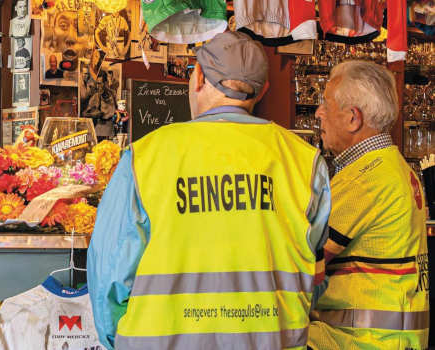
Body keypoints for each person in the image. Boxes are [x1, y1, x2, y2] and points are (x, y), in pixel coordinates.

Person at [87, 31, 331, 350]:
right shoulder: (304, 162)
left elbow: (109, 272)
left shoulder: (144, 157)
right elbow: (316, 276)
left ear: (198, 76)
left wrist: (114, 339)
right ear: (263, 90)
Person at [307, 61, 429, 349]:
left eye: (326, 104)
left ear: (353, 118)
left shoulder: (366, 179)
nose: (318, 113)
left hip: (360, 341)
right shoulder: (392, 167)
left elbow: (302, 258)